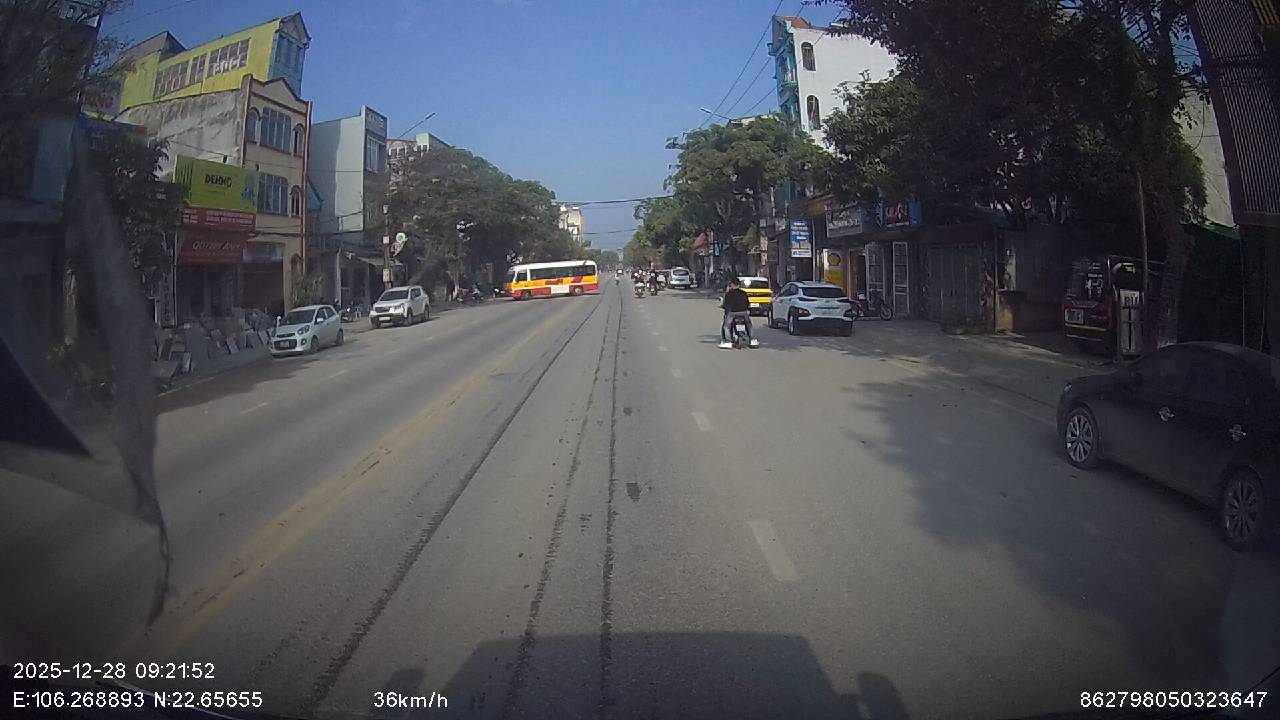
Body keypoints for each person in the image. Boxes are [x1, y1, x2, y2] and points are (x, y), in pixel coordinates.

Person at [719, 277, 758, 348]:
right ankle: (752, 340)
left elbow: (726, 305)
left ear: (732, 284)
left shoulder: (728, 294)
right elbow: (747, 303)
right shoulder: (744, 293)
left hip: (732, 313)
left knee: (727, 326)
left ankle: (728, 341)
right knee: (749, 325)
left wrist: (726, 312)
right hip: (743, 312)